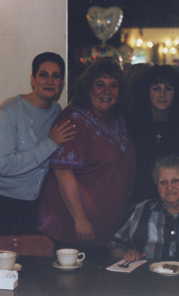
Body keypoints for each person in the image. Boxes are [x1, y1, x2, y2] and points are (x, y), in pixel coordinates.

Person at [38, 58, 136, 263]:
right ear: (88, 87)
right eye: (100, 84)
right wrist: (81, 220)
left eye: (113, 85)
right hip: (76, 231)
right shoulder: (73, 119)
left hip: (107, 232)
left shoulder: (117, 118)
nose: (106, 91)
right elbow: (62, 172)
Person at [0, 52, 75, 237]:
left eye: (56, 76)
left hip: (31, 206)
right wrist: (50, 143)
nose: (49, 81)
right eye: (43, 74)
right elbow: (5, 166)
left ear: (62, 83)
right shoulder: (9, 110)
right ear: (33, 79)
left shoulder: (57, 111)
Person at [126, 65, 179, 204]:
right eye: (156, 89)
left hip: (176, 200)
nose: (162, 95)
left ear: (176, 93)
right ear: (147, 92)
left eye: (168, 89)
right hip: (140, 199)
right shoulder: (132, 124)